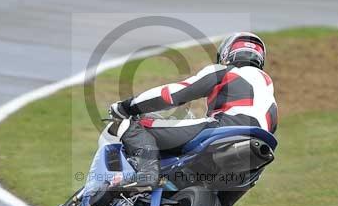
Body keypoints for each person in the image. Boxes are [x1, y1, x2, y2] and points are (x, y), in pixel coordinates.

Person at [108, 32, 277, 192]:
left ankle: (147, 174)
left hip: (223, 129)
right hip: (259, 151)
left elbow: (172, 94)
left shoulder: (225, 71)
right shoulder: (270, 98)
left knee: (132, 125)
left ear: (226, 53)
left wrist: (127, 106)